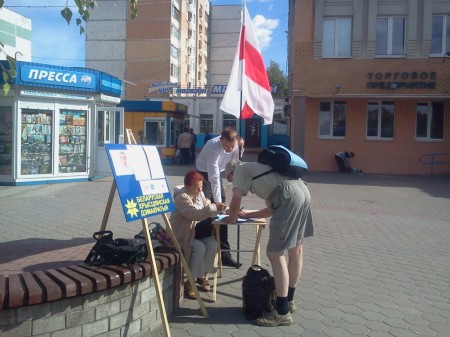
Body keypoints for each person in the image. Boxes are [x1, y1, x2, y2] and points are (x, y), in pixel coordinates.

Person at [224, 159, 314, 327]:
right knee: (296, 250)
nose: (232, 182)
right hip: (303, 191)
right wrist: (245, 215)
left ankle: (282, 312)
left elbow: (236, 198)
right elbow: (271, 210)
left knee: (274, 253)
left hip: (289, 196)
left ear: (231, 173)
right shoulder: (266, 173)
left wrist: (232, 217)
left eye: (230, 179)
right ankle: (289, 301)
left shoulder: (240, 170)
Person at [169, 171, 226, 298]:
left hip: (198, 232)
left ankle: (202, 276)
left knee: (213, 244)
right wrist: (212, 208)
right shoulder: (182, 197)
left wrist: (218, 207)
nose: (200, 190)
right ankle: (190, 281)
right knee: (199, 247)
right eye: (197, 188)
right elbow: (193, 214)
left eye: (201, 187)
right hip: (184, 234)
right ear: (188, 186)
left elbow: (206, 204)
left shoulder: (199, 193)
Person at [196, 128, 244, 268]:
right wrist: (218, 202)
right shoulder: (213, 147)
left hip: (219, 172)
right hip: (204, 174)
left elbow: (235, 163)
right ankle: (202, 246)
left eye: (232, 146)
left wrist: (241, 149)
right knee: (207, 209)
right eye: (227, 146)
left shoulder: (235, 145)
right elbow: (214, 178)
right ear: (221, 139)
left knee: (222, 214)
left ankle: (225, 254)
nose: (229, 149)